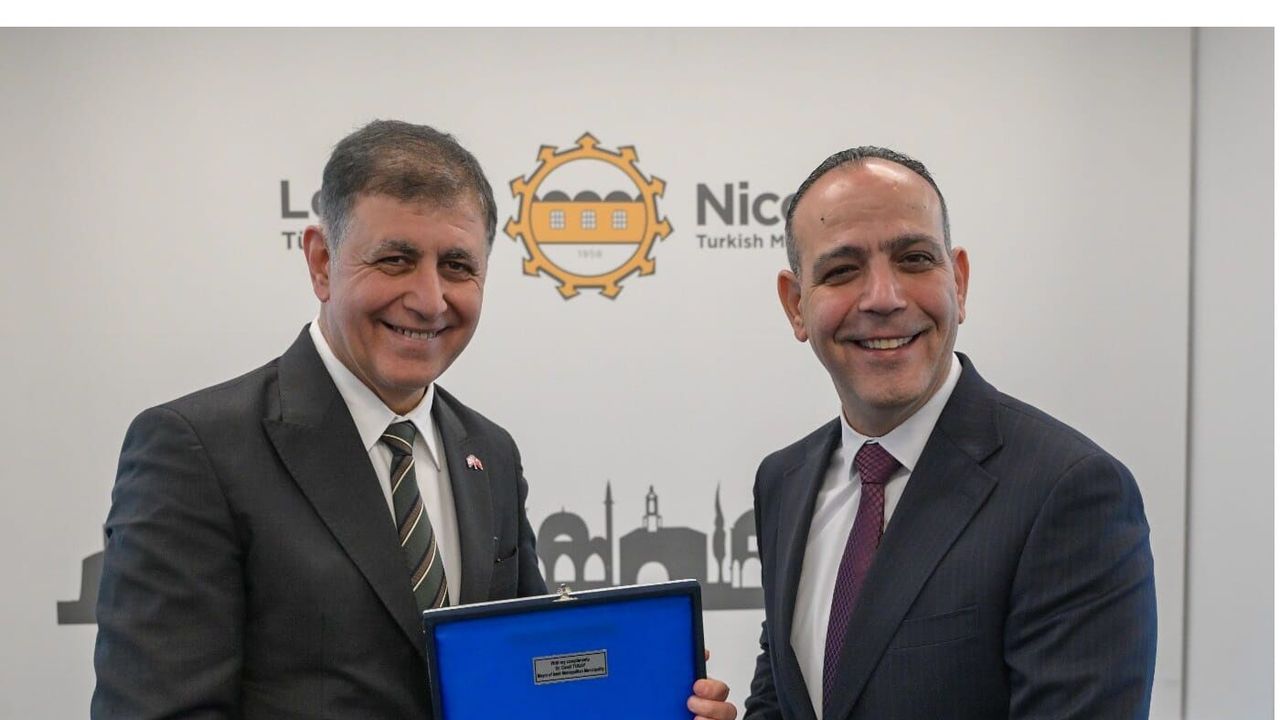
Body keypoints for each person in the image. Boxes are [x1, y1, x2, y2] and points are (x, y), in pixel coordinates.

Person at [92, 120, 735, 720]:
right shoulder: (196, 450)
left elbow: (524, 682)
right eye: (395, 260)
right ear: (321, 262)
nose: (429, 300)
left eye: (457, 266)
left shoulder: (490, 453)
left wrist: (645, 694)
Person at [744, 147, 1156, 720]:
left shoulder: (1070, 492)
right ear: (796, 305)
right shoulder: (782, 482)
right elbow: (784, 702)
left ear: (958, 282)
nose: (884, 298)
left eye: (914, 259)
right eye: (842, 271)